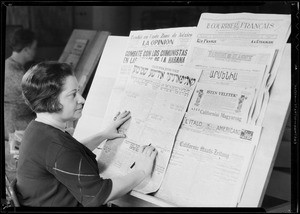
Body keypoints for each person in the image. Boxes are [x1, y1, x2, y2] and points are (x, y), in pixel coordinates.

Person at [16, 61, 158, 207]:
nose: (82, 99)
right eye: (73, 95)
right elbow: (98, 195)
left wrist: (103, 135)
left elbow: (69, 155)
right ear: (51, 102)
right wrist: (141, 170)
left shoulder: (37, 128)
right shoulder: (56, 145)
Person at [4, 28, 37, 141]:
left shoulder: (9, 64)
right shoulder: (16, 73)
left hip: (13, 121)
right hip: (16, 126)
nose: (35, 51)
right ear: (27, 49)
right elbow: (37, 98)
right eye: (34, 48)